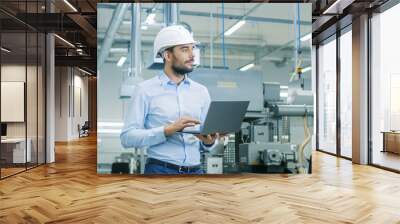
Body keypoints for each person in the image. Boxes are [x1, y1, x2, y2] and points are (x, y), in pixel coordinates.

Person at [120, 25, 220, 174]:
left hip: (196, 171)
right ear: (167, 55)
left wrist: (209, 142)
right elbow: (127, 138)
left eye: (193, 49)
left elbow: (207, 135)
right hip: (160, 170)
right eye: (185, 49)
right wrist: (166, 130)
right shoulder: (145, 90)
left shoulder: (201, 92)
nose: (192, 55)